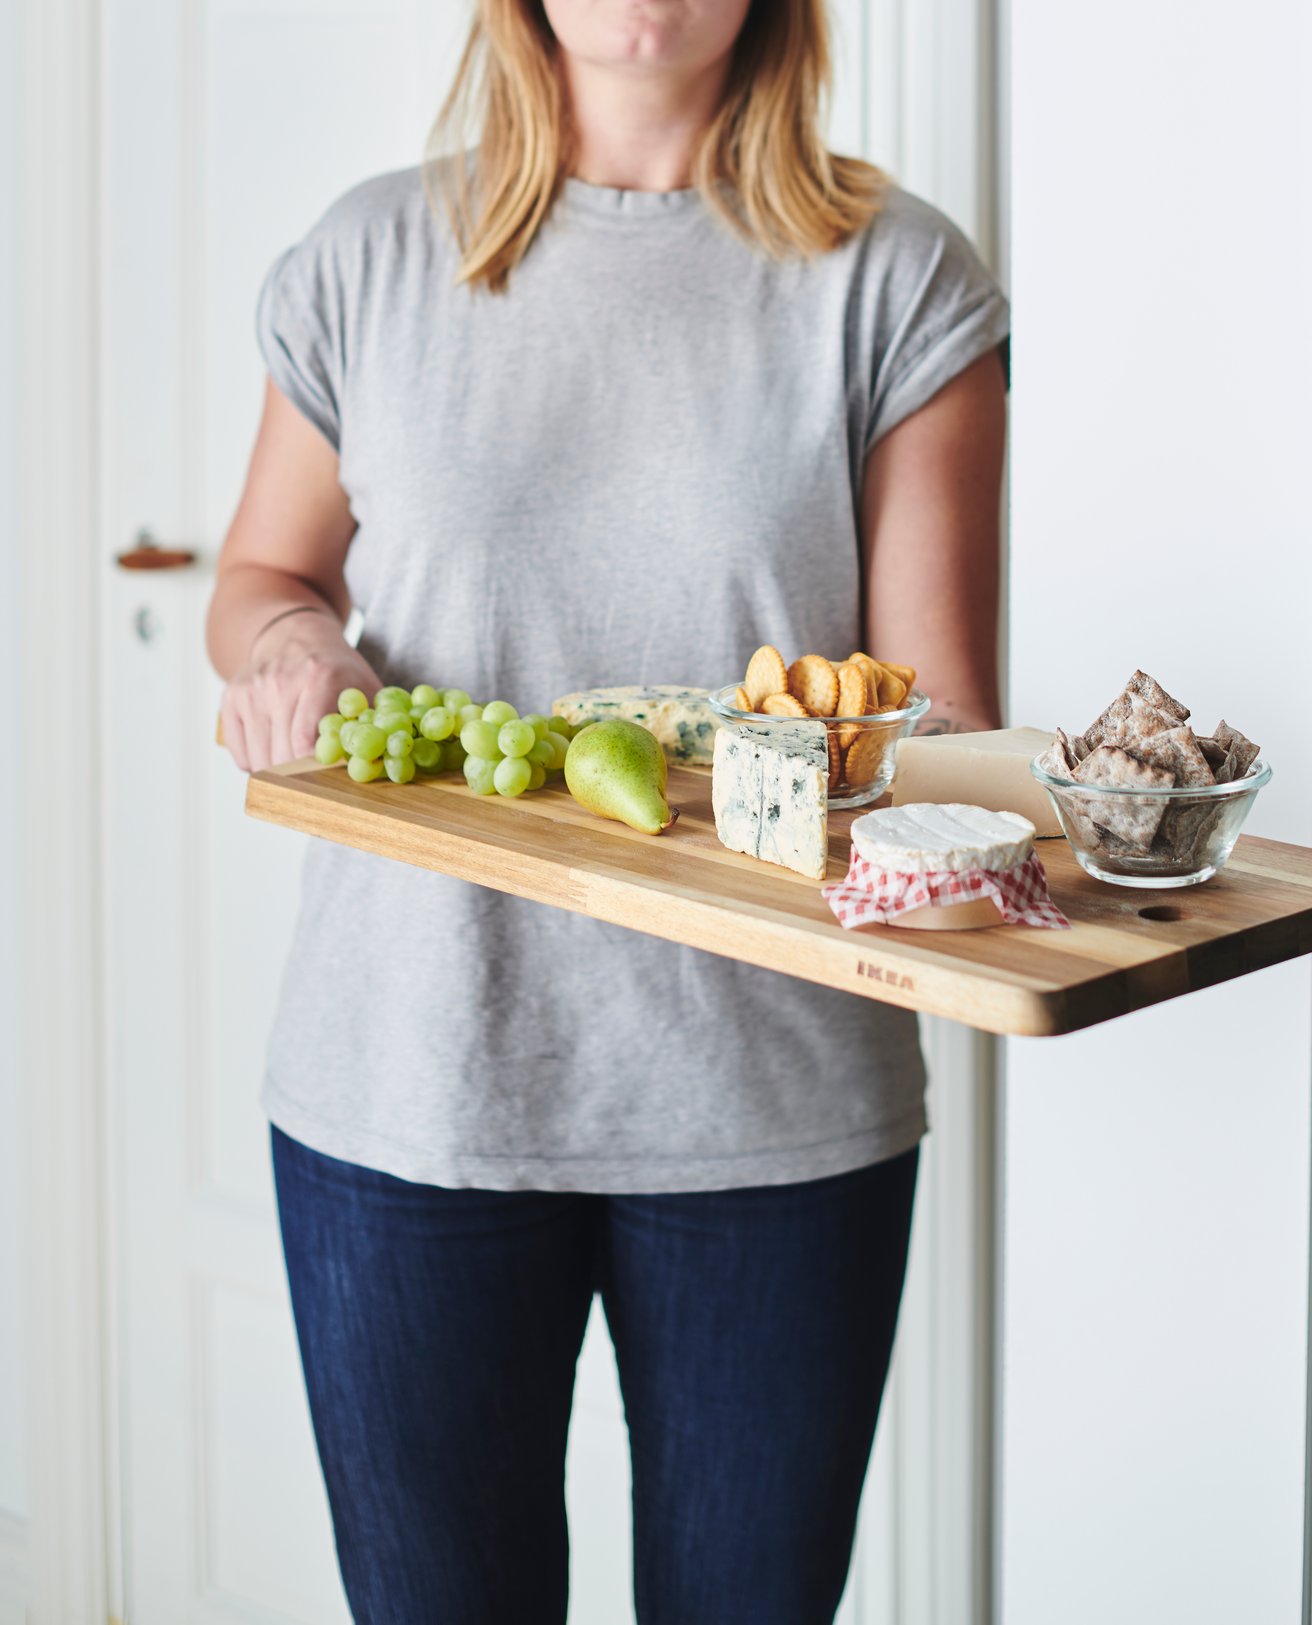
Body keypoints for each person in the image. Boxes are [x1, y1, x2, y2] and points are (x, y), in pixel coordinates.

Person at [207, 0, 1008, 1619]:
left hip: (779, 1104)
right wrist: (289, 637)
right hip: (406, 1090)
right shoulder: (367, 255)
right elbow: (260, 575)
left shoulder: (899, 276)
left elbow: (940, 723)